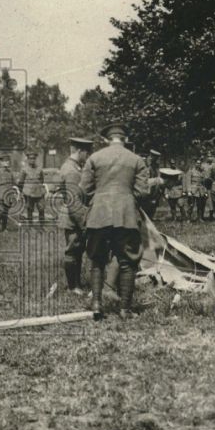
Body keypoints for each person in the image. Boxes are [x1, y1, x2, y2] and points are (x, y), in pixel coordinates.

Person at [80, 122, 154, 318]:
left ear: (106, 139)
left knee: (97, 260)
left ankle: (96, 304)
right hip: (126, 215)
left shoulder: (94, 158)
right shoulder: (136, 159)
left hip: (99, 215)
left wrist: (101, 198)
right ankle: (125, 309)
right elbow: (143, 192)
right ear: (125, 139)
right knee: (127, 261)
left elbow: (84, 189)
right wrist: (126, 199)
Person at [58, 137, 93, 294]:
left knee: (78, 250)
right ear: (80, 151)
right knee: (73, 250)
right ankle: (73, 286)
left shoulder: (73, 167)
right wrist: (84, 223)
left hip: (74, 217)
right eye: (87, 152)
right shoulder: (71, 171)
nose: (88, 156)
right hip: (73, 218)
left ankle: (77, 284)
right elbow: (74, 202)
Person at [18, 152, 46, 222]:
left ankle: (42, 226)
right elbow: (21, 182)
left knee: (41, 208)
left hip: (39, 192)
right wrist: (21, 192)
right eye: (30, 158)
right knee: (30, 209)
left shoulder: (39, 169)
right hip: (29, 193)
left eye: (34, 158)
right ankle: (30, 225)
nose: (32, 160)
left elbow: (42, 180)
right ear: (28, 159)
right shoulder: (24, 170)